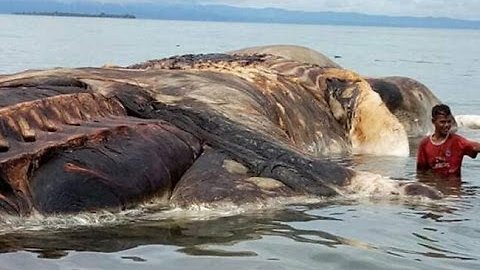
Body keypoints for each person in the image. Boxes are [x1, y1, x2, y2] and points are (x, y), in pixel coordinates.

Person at [417, 104, 480, 177]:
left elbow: (475, 147)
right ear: (433, 121)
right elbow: (420, 173)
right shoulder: (425, 144)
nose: (447, 125)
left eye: (449, 122)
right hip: (433, 185)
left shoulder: (457, 141)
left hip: (453, 186)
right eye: (442, 122)